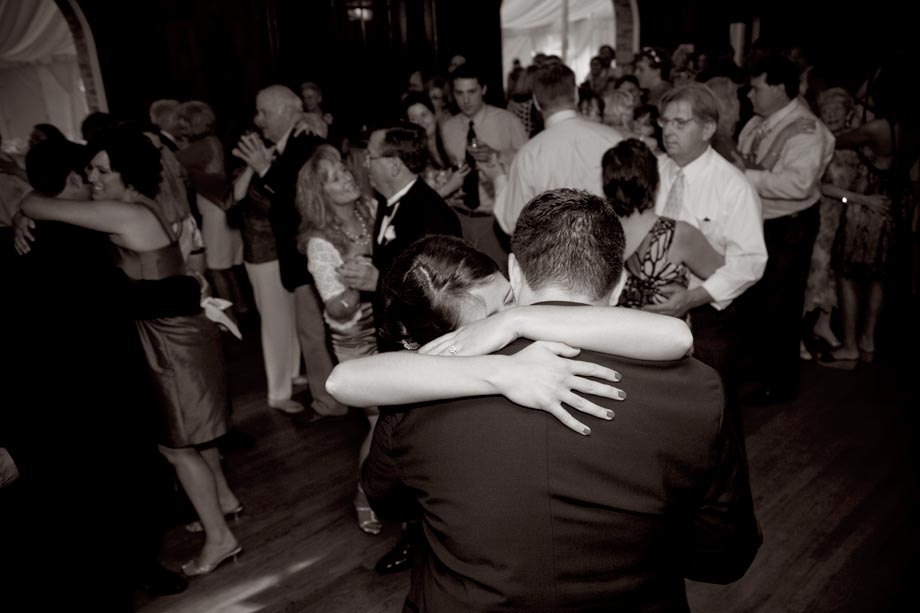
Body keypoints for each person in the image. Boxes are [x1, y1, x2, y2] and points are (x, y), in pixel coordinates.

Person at [357, 189, 761, 611]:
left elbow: (388, 499)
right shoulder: (698, 391)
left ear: (513, 271)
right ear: (621, 281)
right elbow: (725, 557)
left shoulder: (424, 385)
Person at [16, 127, 242, 577]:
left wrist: (25, 209)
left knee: (176, 445)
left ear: (126, 174)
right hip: (174, 330)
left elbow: (42, 203)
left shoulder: (125, 214)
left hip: (170, 337)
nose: (94, 178)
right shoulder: (136, 204)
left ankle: (220, 539)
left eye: (102, 170)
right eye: (90, 170)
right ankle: (223, 503)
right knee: (194, 434)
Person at [649, 83, 767, 408]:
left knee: (713, 410)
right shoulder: (654, 171)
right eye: (664, 122)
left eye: (680, 123)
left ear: (708, 128)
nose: (669, 131)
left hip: (710, 315)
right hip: (657, 309)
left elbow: (750, 262)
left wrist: (692, 298)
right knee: (664, 406)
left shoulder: (733, 186)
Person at [232, 84, 346, 418]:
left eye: (263, 111)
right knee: (314, 333)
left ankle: (329, 403)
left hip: (307, 255)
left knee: (314, 334)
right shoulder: (290, 143)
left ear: (285, 110)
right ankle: (331, 397)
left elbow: (297, 203)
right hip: (298, 255)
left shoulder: (308, 144)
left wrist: (264, 170)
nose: (258, 119)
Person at [737, 53, 835, 405]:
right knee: (756, 302)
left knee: (781, 305)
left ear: (779, 88)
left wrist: (742, 175)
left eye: (757, 87)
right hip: (760, 220)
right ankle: (757, 369)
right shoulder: (758, 122)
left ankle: (779, 384)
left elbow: (799, 184)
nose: (750, 95)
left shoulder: (807, 130)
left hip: (788, 227)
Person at [295, 144, 382, 535]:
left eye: (344, 172)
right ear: (321, 193)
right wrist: (361, 273)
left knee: (400, 421)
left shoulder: (371, 209)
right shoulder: (319, 244)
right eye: (334, 178)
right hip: (356, 342)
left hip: (388, 327)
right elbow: (337, 309)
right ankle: (365, 491)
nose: (346, 179)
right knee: (383, 423)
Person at [487, 63, 622, 236]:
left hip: (556, 257)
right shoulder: (613, 139)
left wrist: (498, 178)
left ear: (535, 101)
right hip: (608, 249)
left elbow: (513, 223)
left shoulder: (530, 154)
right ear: (576, 94)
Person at [603, 138, 723, 309]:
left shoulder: (596, 229)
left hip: (610, 332)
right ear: (655, 182)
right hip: (663, 333)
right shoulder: (676, 234)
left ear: (607, 184)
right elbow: (726, 275)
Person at [400, 91, 469, 200]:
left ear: (434, 115)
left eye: (424, 115)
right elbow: (419, 204)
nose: (420, 122)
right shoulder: (411, 158)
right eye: (413, 119)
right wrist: (449, 187)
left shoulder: (450, 142)